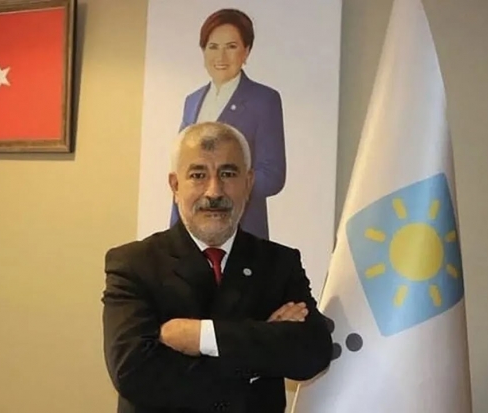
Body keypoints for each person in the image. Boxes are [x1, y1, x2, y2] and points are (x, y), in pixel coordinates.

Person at [102, 122, 333, 413]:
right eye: (198, 175)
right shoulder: (134, 264)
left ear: (248, 183)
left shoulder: (279, 263)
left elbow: (313, 353)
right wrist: (259, 359)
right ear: (175, 186)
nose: (214, 191)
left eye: (228, 173)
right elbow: (134, 373)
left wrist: (202, 336)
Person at [170, 8, 286, 240]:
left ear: (247, 51)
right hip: (189, 232)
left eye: (231, 47)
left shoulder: (263, 100)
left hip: (242, 231)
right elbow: (181, 168)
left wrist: (226, 186)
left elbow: (273, 175)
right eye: (213, 47)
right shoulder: (193, 100)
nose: (221, 57)